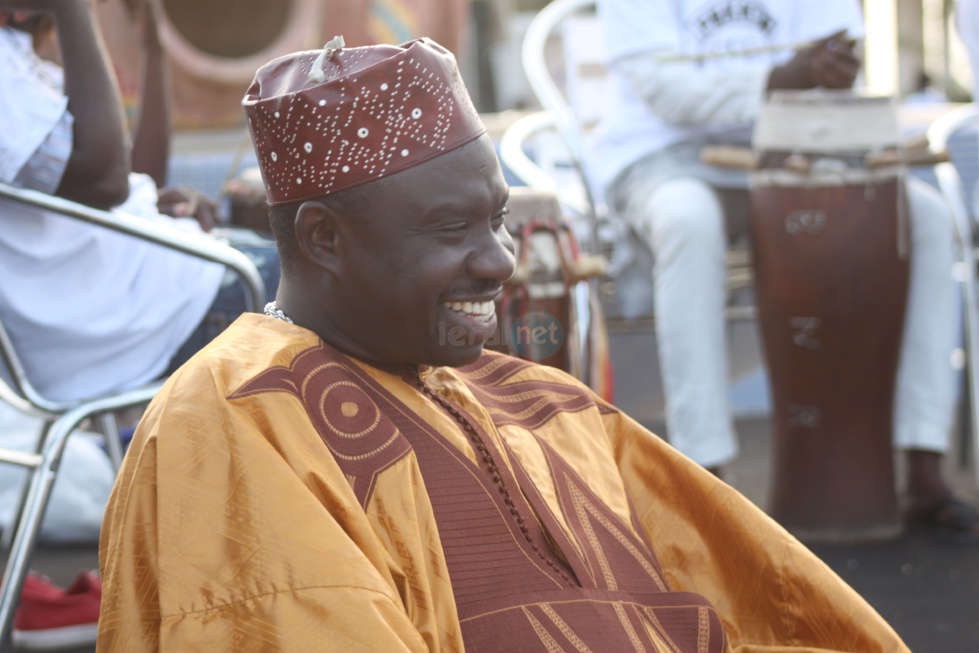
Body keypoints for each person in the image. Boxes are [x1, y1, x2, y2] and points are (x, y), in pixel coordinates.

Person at [97, 37, 911, 651]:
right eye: (451, 228)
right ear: (323, 238)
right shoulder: (234, 414)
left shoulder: (542, 399)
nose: (500, 261)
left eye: (497, 219)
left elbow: (776, 606)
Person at [590, 0, 979, 541]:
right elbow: (666, 94)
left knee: (927, 219)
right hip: (664, 153)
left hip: (798, 144)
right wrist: (780, 76)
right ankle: (704, 479)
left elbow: (839, 65)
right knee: (688, 220)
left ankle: (923, 471)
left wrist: (829, 72)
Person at [0, 0, 279, 405]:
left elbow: (122, 181)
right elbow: (106, 178)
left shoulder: (16, 61)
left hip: (158, 307)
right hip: (160, 323)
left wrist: (152, 46)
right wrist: (74, 9)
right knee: (345, 270)